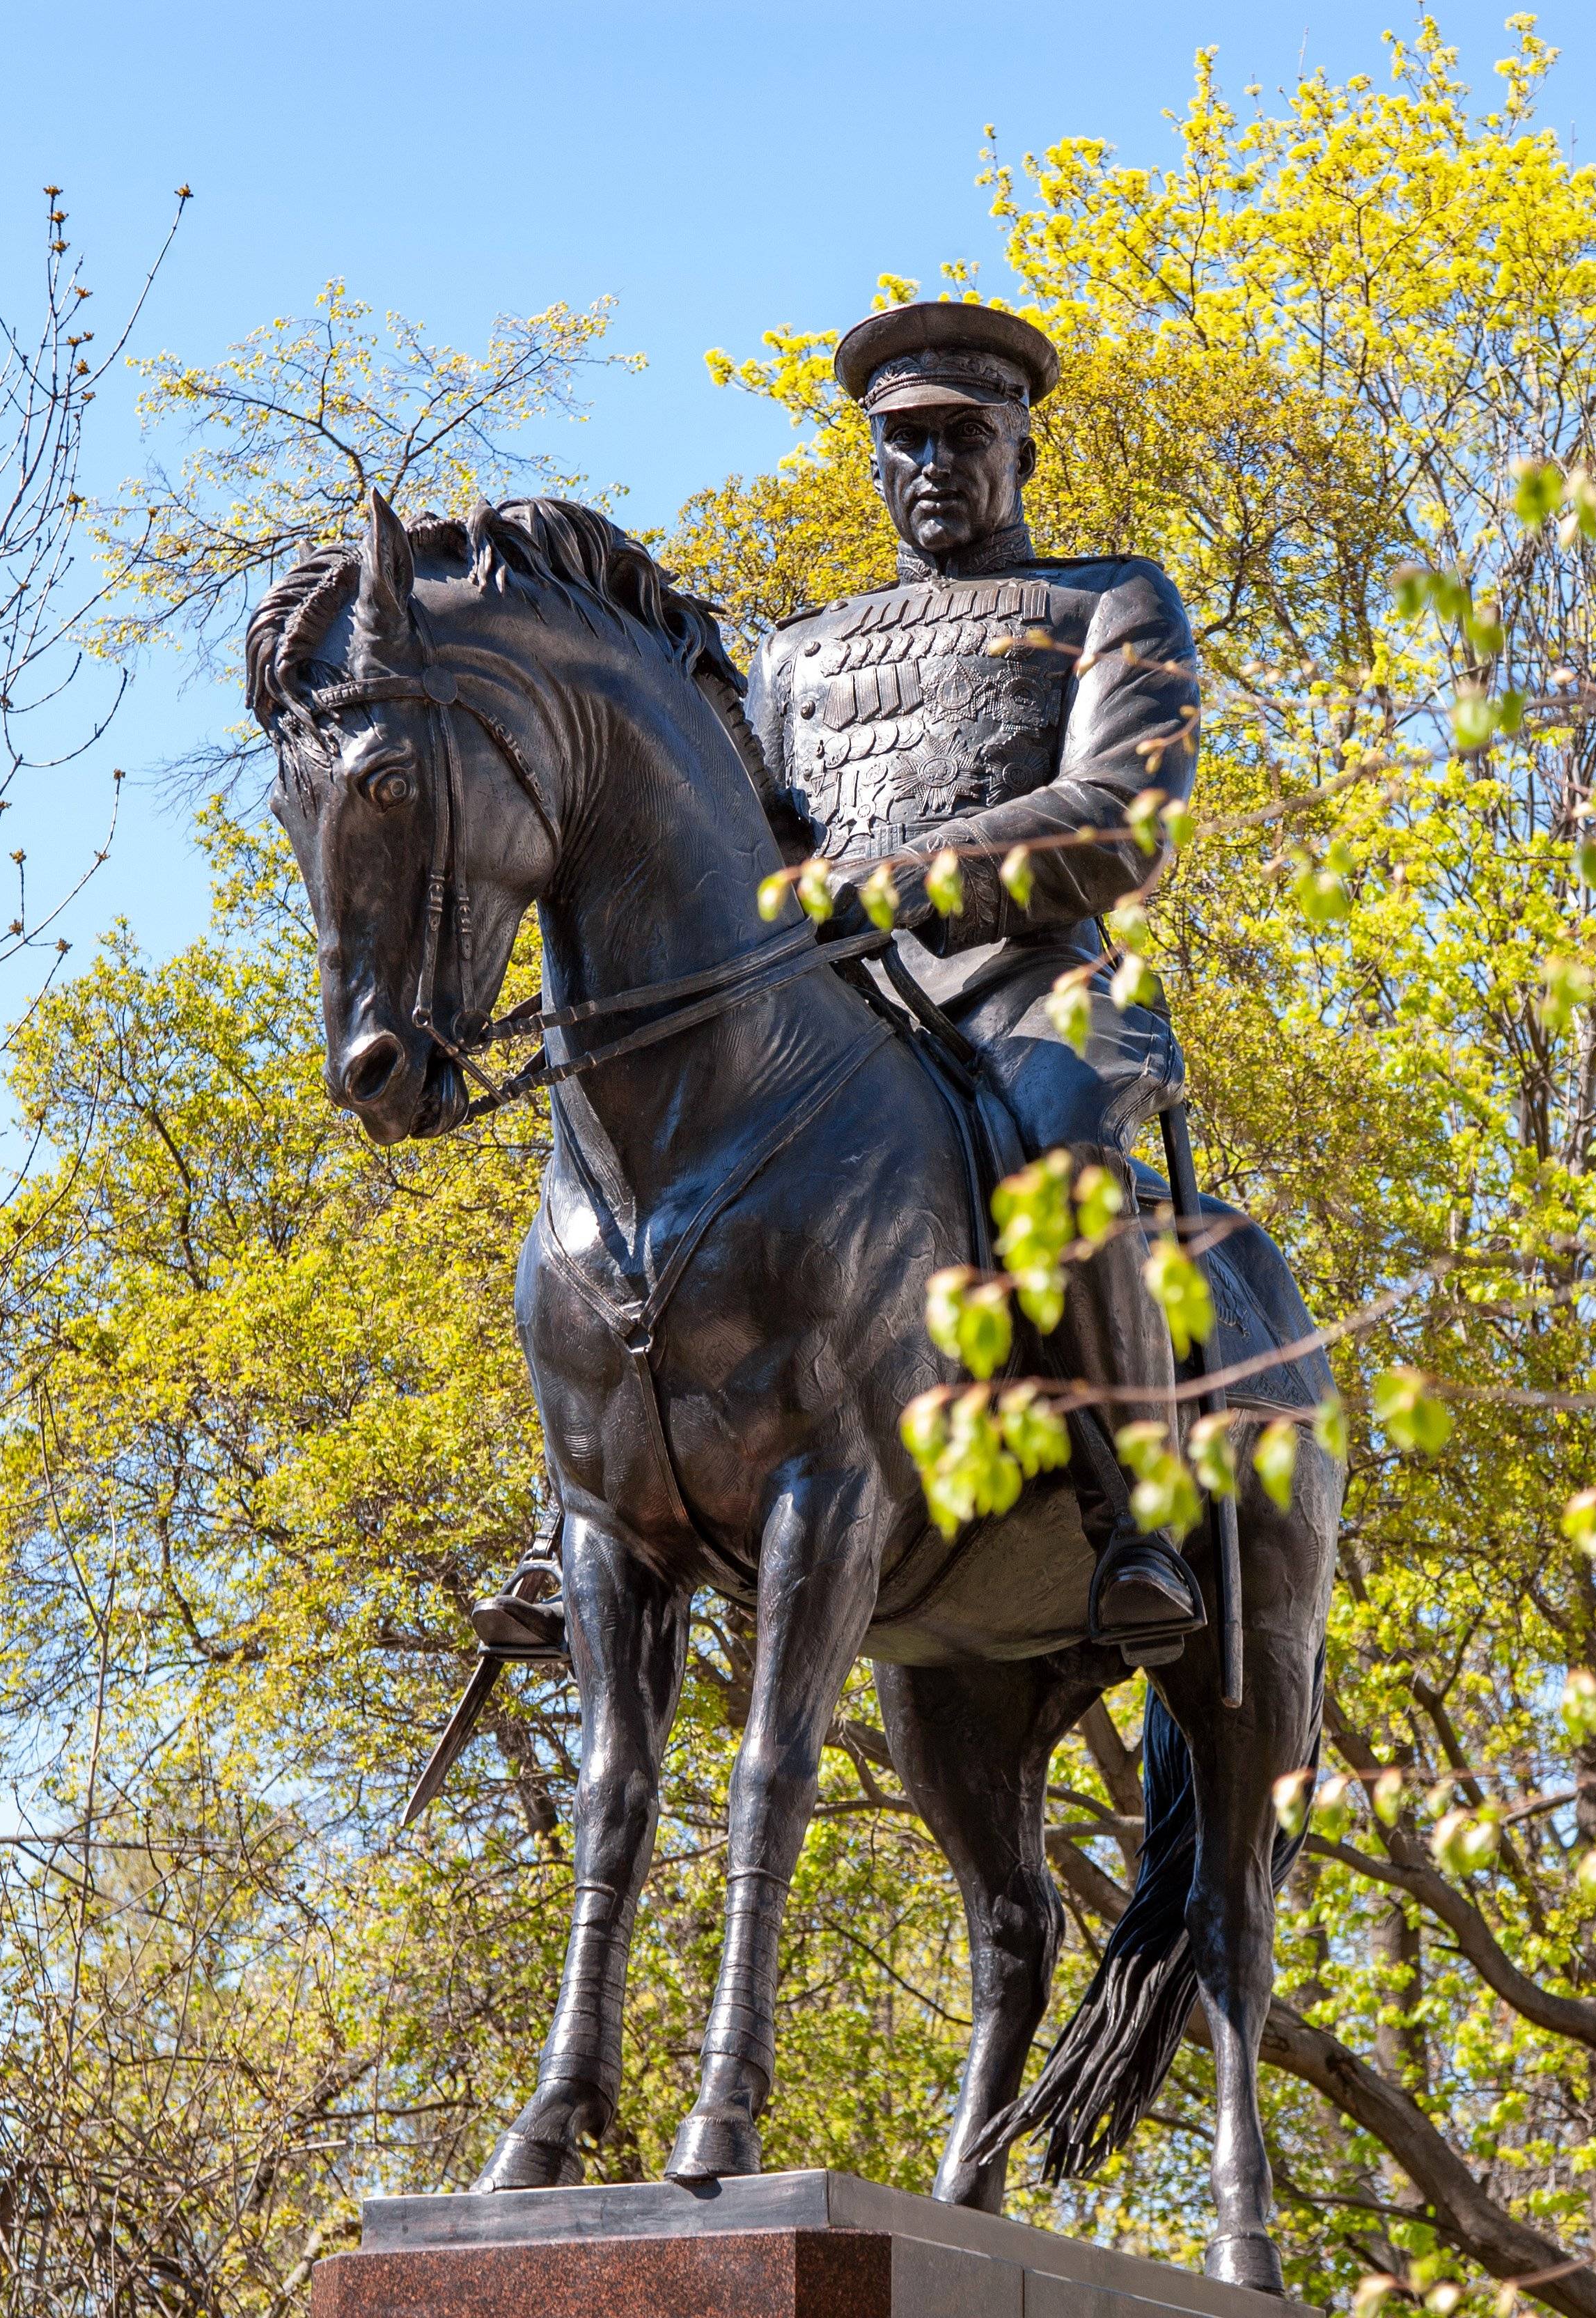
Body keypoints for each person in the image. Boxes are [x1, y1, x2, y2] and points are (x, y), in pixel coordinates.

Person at [470, 300, 1204, 1661]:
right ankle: (587, 1496)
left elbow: (1122, 817)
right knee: (624, 1172)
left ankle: (1136, 1506)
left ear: (1022, 450)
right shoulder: (801, 651)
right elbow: (740, 839)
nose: (932, 464)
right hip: (837, 998)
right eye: (904, 441)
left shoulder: (1109, 599)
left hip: (1025, 981)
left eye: (962, 435)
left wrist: (901, 875)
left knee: (1061, 1149)